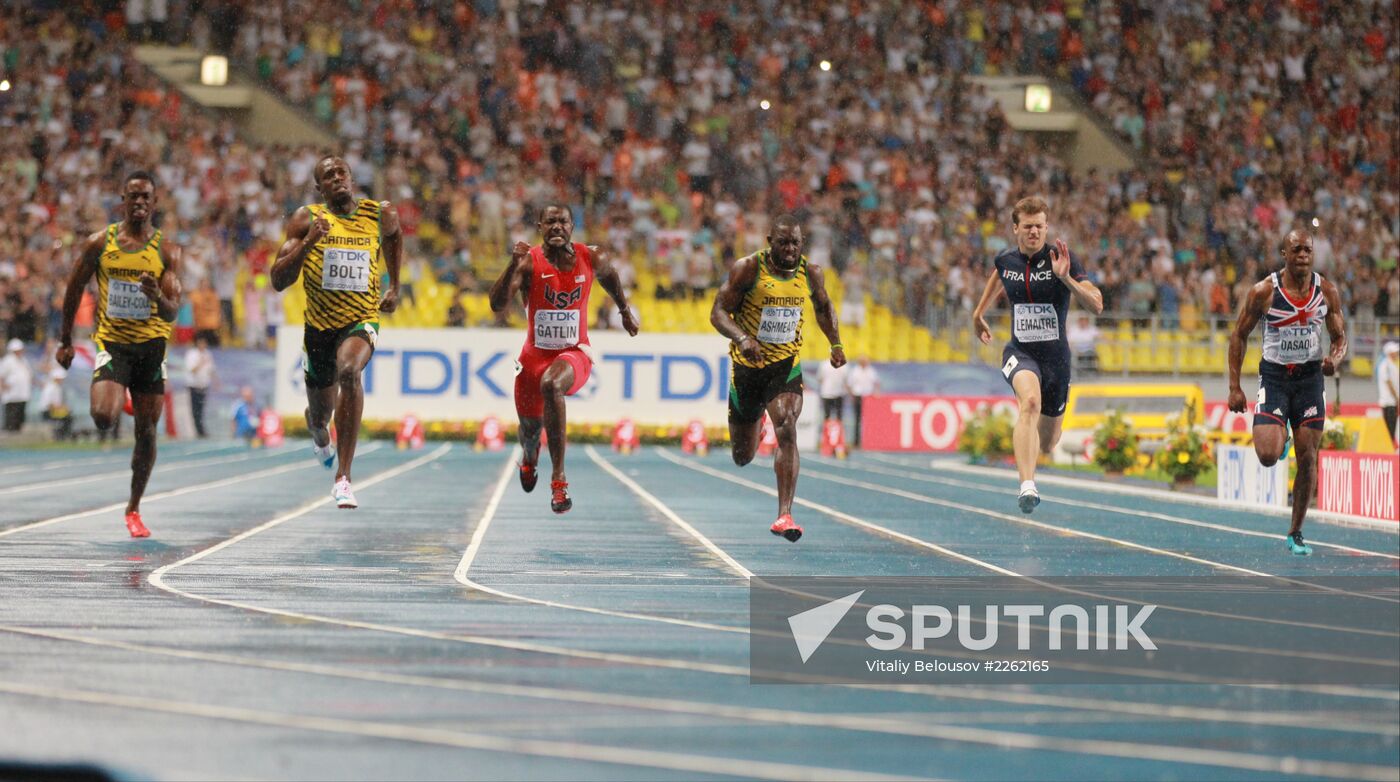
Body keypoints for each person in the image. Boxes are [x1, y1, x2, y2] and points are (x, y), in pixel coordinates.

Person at [55, 171, 183, 538]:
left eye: (146, 197)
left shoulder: (167, 251)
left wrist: (156, 295)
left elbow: (173, 311)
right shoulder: (101, 243)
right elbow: (74, 288)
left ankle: (133, 508)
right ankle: (120, 395)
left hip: (151, 348)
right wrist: (65, 340)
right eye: (133, 196)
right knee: (102, 417)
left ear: (155, 203)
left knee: (146, 432)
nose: (140, 202)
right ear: (123, 202)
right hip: (113, 343)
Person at [489, 203, 639, 513]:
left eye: (563, 222)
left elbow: (610, 277)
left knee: (553, 384)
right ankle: (530, 457)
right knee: (529, 432)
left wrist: (624, 312)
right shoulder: (528, 262)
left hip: (575, 355)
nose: (557, 227)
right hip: (532, 360)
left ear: (572, 226)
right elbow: (497, 304)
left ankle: (559, 480)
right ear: (540, 227)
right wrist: (511, 264)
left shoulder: (592, 256)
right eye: (550, 222)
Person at [271, 155, 402, 509]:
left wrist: (395, 285)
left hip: (360, 320)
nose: (337, 179)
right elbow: (278, 280)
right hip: (319, 329)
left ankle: (343, 477)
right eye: (328, 176)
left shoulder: (379, 214)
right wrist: (309, 242)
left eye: (341, 172)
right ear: (319, 187)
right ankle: (317, 431)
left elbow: (394, 236)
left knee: (349, 371)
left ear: (351, 177)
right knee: (319, 416)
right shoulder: (306, 219)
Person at [710, 214, 845, 542]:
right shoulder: (748, 269)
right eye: (783, 242)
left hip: (784, 366)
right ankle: (751, 424)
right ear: (770, 241)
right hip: (746, 369)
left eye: (796, 243)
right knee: (743, 456)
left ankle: (785, 514)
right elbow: (717, 313)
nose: (790, 249)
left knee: (786, 425)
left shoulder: (810, 273)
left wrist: (836, 343)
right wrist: (743, 339)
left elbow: (824, 309)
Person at [972, 196, 1103, 514]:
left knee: (1048, 442)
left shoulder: (1063, 258)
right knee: (1029, 402)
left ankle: (1034, 462)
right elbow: (999, 276)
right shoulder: (1005, 260)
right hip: (1020, 352)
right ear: (1016, 228)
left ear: (1046, 228)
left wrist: (1065, 278)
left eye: (1040, 227)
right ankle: (1026, 485)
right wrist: (978, 314)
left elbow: (1097, 305)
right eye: (1028, 226)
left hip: (1056, 359)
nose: (1034, 232)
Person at [1227, 230, 1347, 556]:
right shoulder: (1263, 292)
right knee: (1267, 456)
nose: (1303, 255)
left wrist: (1334, 360)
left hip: (1310, 379)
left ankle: (1295, 532)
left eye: (1307, 249)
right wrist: (1234, 387)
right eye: (1296, 250)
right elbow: (1238, 336)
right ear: (1284, 253)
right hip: (1276, 377)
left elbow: (1339, 337)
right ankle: (1281, 437)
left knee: (1308, 458)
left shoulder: (1327, 292)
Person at [846, 355, 881, 447]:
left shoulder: (871, 371)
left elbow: (877, 383)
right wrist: (851, 396)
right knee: (857, 420)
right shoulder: (855, 371)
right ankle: (856, 441)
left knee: (869, 420)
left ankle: (870, 440)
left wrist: (876, 393)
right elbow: (849, 384)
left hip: (869, 397)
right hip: (858, 396)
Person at [185, 335, 215, 438]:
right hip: (194, 385)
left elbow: (211, 370)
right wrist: (201, 362)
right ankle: (198, 431)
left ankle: (201, 430)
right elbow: (191, 370)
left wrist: (216, 382)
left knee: (201, 409)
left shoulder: (208, 354)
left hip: (204, 385)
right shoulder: (192, 354)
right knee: (195, 409)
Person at [0, 338, 32, 432]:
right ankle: (10, 429)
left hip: (22, 391)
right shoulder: (7, 360)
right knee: (12, 410)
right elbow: (1, 374)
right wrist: (3, 385)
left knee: (20, 411)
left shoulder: (23, 360)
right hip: (11, 391)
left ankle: (17, 429)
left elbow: (28, 373)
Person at [38, 367, 72, 440]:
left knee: (68, 416)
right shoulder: (50, 387)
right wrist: (61, 409)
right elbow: (49, 404)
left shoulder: (57, 387)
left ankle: (62, 436)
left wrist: (63, 409)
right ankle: (61, 437)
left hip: (53, 411)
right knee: (67, 418)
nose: (62, 380)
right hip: (47, 412)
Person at [1379, 342, 1399, 447]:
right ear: (1390, 353)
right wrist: (1397, 398)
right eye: (1395, 352)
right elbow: (1389, 384)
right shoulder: (1385, 365)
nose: (1397, 354)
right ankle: (1388, 450)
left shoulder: (1392, 364)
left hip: (1392, 402)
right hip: (1388, 402)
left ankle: (1390, 447)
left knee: (1393, 427)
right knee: (1389, 429)